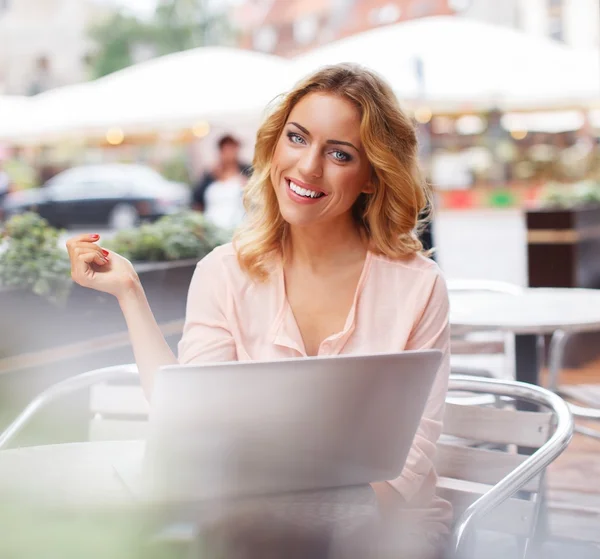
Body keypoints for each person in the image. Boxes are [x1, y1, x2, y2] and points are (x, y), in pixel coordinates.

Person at [66, 63, 451, 558]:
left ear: (373, 177)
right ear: (274, 145)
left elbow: (413, 453)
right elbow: (191, 415)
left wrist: (319, 520)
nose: (309, 167)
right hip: (251, 518)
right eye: (297, 137)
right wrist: (130, 293)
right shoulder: (224, 272)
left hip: (386, 521)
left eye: (339, 153)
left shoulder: (418, 286)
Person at [192, 134, 252, 230]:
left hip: (240, 224)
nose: (229, 153)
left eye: (232, 148)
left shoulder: (247, 171)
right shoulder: (210, 174)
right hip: (212, 224)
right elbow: (197, 199)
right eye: (226, 149)